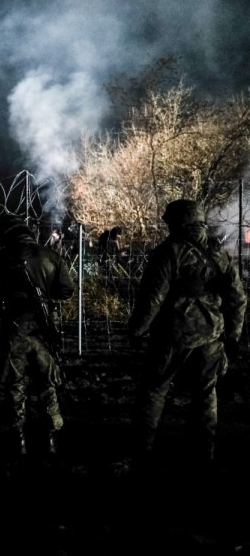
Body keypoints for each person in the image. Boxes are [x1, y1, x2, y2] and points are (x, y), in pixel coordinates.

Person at [128, 199, 246, 465]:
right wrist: (234, 337)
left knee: (154, 391)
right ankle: (204, 456)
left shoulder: (169, 252)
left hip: (171, 338)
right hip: (211, 338)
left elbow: (152, 299)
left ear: (177, 222)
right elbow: (238, 298)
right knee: (205, 397)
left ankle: (142, 452)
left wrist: (137, 330)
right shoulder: (220, 254)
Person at [0, 214, 75, 457]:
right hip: (43, 329)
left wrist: (8, 296)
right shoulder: (49, 255)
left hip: (14, 328)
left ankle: (17, 439)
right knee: (47, 384)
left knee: (14, 385)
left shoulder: (1, 258)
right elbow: (66, 290)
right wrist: (44, 298)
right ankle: (51, 438)